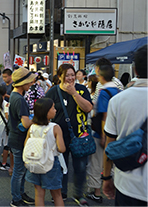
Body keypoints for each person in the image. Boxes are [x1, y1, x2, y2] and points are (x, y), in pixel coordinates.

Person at [102, 45, 147, 206]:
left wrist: (106, 177)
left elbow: (110, 142)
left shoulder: (118, 100)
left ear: (135, 70)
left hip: (127, 184)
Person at [45, 64, 93, 206]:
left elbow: (88, 108)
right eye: (67, 75)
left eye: (73, 74)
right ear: (60, 77)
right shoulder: (53, 92)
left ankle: (79, 194)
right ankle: (61, 193)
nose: (71, 78)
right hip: (59, 137)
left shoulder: (82, 90)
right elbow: (45, 112)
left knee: (80, 167)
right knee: (61, 167)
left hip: (80, 136)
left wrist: (74, 93)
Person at [86, 64, 120, 204]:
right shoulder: (118, 90)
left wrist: (104, 135)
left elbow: (105, 115)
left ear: (101, 76)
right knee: (113, 163)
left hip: (103, 133)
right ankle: (115, 188)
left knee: (96, 163)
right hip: (117, 133)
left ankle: (96, 192)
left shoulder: (104, 92)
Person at [25, 98, 66, 207]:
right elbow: (61, 149)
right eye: (53, 108)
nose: (55, 110)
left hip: (35, 162)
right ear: (46, 112)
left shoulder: (32, 127)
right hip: (51, 163)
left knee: (38, 193)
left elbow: (26, 145)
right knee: (57, 194)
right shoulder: (55, 128)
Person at [8, 67, 36, 207]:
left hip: (15, 137)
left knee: (21, 171)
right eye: (29, 81)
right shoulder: (19, 99)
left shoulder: (14, 96)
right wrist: (37, 119)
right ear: (22, 83)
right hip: (19, 139)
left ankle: (20, 194)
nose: (31, 84)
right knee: (19, 172)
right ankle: (16, 198)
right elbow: (25, 123)